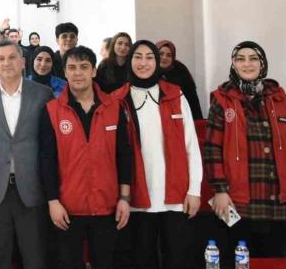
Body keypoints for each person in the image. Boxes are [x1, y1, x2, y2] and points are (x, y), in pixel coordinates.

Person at [204, 41, 286, 268]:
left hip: (276, 200)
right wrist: (220, 190)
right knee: (240, 259)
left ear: (262, 64)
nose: (247, 64)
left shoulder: (279, 98)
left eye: (253, 59)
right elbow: (212, 149)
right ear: (233, 64)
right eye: (240, 59)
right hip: (238, 200)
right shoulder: (222, 100)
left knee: (273, 258)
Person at [110, 41, 202, 269]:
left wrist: (194, 190)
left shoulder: (175, 95)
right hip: (137, 198)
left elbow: (191, 146)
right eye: (138, 57)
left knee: (178, 259)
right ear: (130, 61)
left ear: (157, 61)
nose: (143, 63)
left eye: (149, 57)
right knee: (143, 259)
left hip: (176, 197)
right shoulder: (117, 99)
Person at [39, 45, 133, 269]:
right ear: (65, 72)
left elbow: (124, 155)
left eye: (84, 67)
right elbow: (47, 160)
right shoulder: (52, 110)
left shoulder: (114, 107)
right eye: (72, 68)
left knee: (105, 263)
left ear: (93, 71)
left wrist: (125, 198)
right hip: (67, 207)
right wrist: (53, 201)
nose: (78, 73)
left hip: (107, 205)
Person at [0, 39, 53, 269]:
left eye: (12, 57)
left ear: (23, 62)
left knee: (35, 257)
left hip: (33, 188)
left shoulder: (43, 94)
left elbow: (50, 147)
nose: (7, 63)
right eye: (0, 59)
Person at [156, 39, 203, 119]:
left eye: (169, 55)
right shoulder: (148, 71)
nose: (164, 57)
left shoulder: (180, 71)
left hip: (179, 117)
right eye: (161, 54)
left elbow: (192, 100)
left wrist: (196, 121)